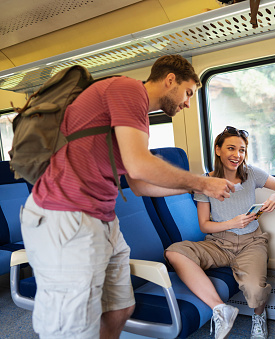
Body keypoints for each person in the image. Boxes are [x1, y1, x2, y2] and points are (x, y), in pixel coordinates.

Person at [20, 55, 235, 339]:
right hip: (64, 216)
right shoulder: (128, 90)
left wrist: (196, 188)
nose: (187, 103)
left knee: (120, 309)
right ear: (170, 79)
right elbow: (139, 164)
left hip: (103, 222)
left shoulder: (135, 118)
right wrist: (203, 182)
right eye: (187, 93)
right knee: (72, 326)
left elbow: (140, 185)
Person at [165, 126, 275, 339]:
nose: (237, 155)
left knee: (256, 291)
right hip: (218, 243)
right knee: (174, 252)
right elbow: (204, 225)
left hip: (252, 242)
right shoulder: (206, 182)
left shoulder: (252, 174)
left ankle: (259, 317)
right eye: (231, 148)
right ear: (218, 149)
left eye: (242, 150)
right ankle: (221, 309)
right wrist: (232, 223)